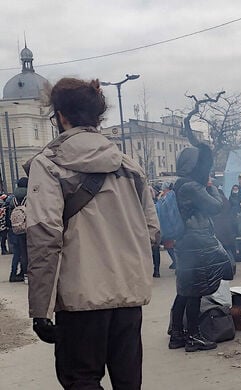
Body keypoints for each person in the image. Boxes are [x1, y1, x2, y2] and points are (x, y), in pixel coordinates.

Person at [24, 77, 159, 389]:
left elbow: (45, 238)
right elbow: (152, 231)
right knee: (128, 383)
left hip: (80, 298)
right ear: (97, 117)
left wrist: (40, 310)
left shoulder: (49, 164)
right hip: (128, 298)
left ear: (60, 116)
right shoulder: (129, 166)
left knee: (80, 379)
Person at [169, 143, 233, 352]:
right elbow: (216, 206)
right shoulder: (192, 186)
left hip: (186, 243)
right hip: (197, 244)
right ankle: (194, 336)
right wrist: (211, 186)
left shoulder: (180, 184)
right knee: (195, 292)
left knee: (184, 291)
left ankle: (177, 334)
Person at [7, 177, 29, 283]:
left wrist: (9, 227)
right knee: (27, 252)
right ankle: (26, 274)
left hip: (14, 230)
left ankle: (13, 274)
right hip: (27, 229)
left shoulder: (12, 199)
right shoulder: (29, 198)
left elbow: (8, 216)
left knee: (17, 253)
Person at [158, 181, 178, 270]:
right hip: (173, 225)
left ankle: (177, 263)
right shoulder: (174, 195)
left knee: (169, 246)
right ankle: (176, 262)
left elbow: (164, 211)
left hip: (167, 225)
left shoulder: (166, 198)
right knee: (172, 246)